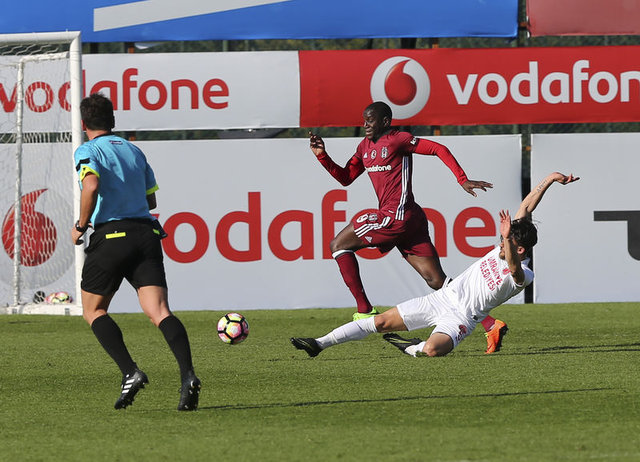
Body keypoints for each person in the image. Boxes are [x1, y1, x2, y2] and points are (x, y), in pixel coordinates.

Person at [291, 171, 579, 359]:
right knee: (379, 322)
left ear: (518, 248)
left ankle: (412, 347)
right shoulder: (509, 243)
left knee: (431, 350)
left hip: (462, 319)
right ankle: (319, 344)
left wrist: (506, 239)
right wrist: (551, 179)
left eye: (505, 241)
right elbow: (527, 207)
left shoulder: (524, 273)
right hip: (442, 298)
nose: (499, 242)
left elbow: (514, 270)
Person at [309, 101, 506, 353]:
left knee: (338, 245)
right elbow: (345, 177)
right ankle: (491, 324)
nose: (365, 124)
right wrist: (322, 155)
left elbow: (438, 148)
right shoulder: (364, 146)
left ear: (385, 122)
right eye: (364, 119)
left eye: (371, 120)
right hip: (410, 219)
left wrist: (462, 179)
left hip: (396, 215)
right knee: (437, 281)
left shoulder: (398, 139)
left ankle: (364, 310)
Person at [70, 93, 201, 411]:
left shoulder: (88, 150)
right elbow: (151, 201)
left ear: (84, 123)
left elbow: (90, 186)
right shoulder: (134, 150)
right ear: (113, 121)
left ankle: (131, 372)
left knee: (93, 311)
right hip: (145, 234)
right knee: (159, 311)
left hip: (111, 235)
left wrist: (80, 224)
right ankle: (188, 376)